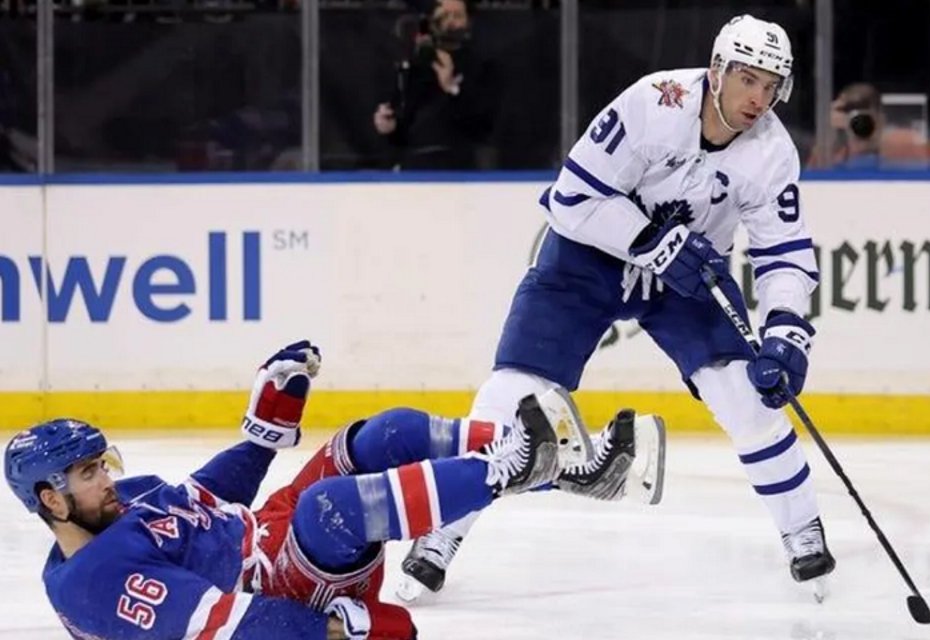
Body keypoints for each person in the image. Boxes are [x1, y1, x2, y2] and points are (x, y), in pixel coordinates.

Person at [396, 14, 836, 602]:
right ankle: (440, 533)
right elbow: (572, 197)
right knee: (511, 396)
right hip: (587, 260)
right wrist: (649, 241)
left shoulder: (772, 152)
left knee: (744, 394)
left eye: (771, 85)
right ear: (717, 71)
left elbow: (783, 251)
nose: (759, 98)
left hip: (688, 276)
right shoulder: (655, 103)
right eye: (748, 79)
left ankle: (802, 529)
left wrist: (786, 328)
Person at [8, 340, 658, 639]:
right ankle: (514, 463)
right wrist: (341, 632)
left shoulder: (130, 500)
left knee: (387, 433)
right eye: (88, 473)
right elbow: (229, 625)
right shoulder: (94, 581)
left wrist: (264, 434)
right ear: (51, 500)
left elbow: (206, 499)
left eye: (102, 463)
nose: (108, 479)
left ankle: (581, 465)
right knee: (331, 508)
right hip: (272, 587)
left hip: (268, 530)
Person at [372, 0, 501, 170]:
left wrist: (451, 88)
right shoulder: (415, 66)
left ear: (469, 21)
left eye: (457, 15)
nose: (450, 22)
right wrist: (389, 127)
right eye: (444, 16)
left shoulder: (482, 66)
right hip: (416, 167)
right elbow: (402, 130)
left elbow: (484, 126)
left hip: (462, 168)